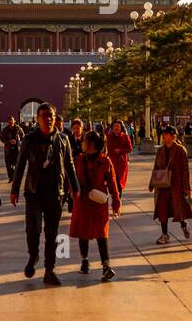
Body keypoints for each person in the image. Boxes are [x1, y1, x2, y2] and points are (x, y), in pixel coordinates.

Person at [11, 103, 80, 286]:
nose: (47, 118)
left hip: (55, 193)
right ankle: (33, 256)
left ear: (55, 117)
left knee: (52, 233)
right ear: (38, 118)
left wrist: (75, 187)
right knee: (33, 229)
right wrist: (14, 189)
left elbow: (70, 165)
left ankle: (49, 270)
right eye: (43, 115)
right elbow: (20, 165)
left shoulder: (63, 140)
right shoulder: (29, 139)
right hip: (34, 192)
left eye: (50, 115)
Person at [70, 130, 120, 280]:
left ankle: (106, 266)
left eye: (84, 140)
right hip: (83, 201)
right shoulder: (79, 160)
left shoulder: (105, 161)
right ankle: (85, 261)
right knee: (83, 233)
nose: (82, 142)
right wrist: (72, 192)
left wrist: (116, 202)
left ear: (91, 144)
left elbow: (112, 183)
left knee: (101, 234)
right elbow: (72, 179)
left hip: (98, 202)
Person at [149, 124, 192, 243]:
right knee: (162, 209)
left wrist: (186, 188)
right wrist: (152, 183)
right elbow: (156, 167)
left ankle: (184, 224)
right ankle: (165, 234)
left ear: (173, 136)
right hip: (162, 185)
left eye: (166, 134)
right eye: (163, 134)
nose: (164, 136)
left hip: (176, 185)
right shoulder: (160, 150)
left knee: (178, 209)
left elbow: (185, 170)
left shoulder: (180, 150)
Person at [105, 119, 132, 196]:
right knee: (113, 182)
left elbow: (130, 149)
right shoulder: (108, 137)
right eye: (114, 126)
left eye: (118, 126)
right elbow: (106, 149)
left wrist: (120, 150)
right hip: (111, 163)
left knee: (119, 182)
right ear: (112, 128)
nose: (116, 128)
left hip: (122, 164)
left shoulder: (125, 137)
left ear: (121, 127)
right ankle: (115, 197)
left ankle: (118, 199)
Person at [0, 117, 24, 182]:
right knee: (8, 165)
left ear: (14, 121)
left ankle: (15, 176)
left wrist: (19, 142)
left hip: (17, 149)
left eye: (12, 120)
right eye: (9, 121)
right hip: (8, 149)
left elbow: (23, 137)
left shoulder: (18, 129)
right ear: (8, 122)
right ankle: (11, 177)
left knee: (16, 164)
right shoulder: (5, 130)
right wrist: (9, 141)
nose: (11, 122)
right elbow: (2, 138)